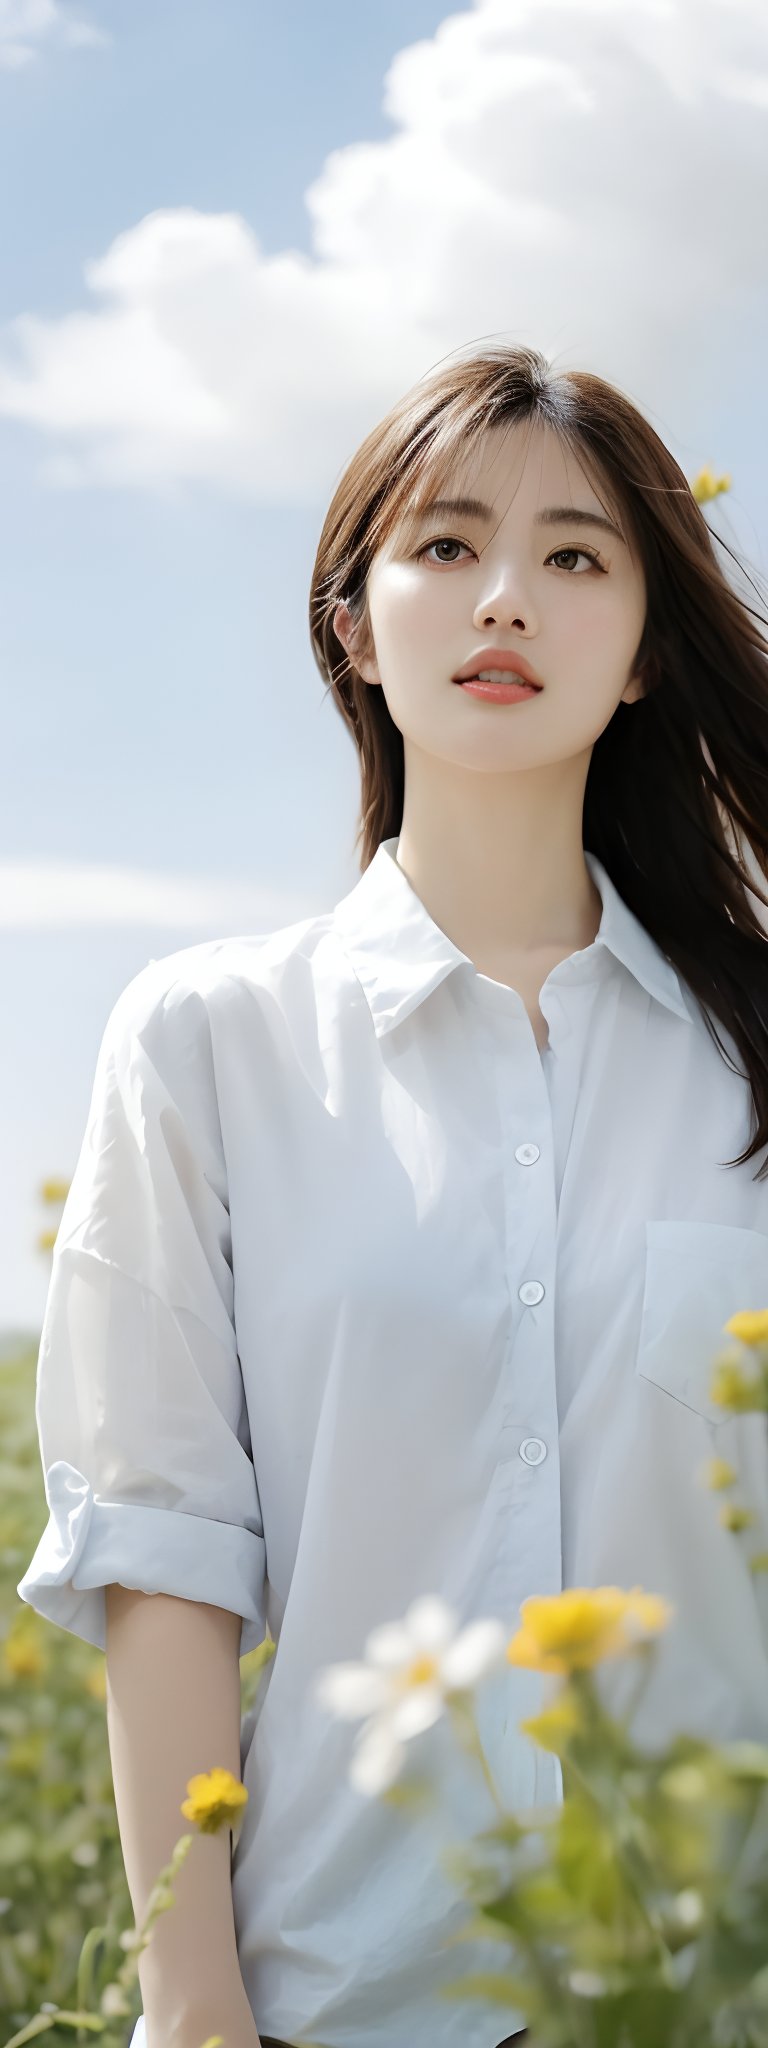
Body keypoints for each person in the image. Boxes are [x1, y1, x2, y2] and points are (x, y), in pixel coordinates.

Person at [17, 340, 768, 2048]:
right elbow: (167, 1555)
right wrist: (194, 2006)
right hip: (342, 1995)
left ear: (645, 653)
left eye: (577, 556)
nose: (508, 594)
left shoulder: (751, 1065)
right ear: (354, 624)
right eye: (445, 545)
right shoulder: (210, 1042)